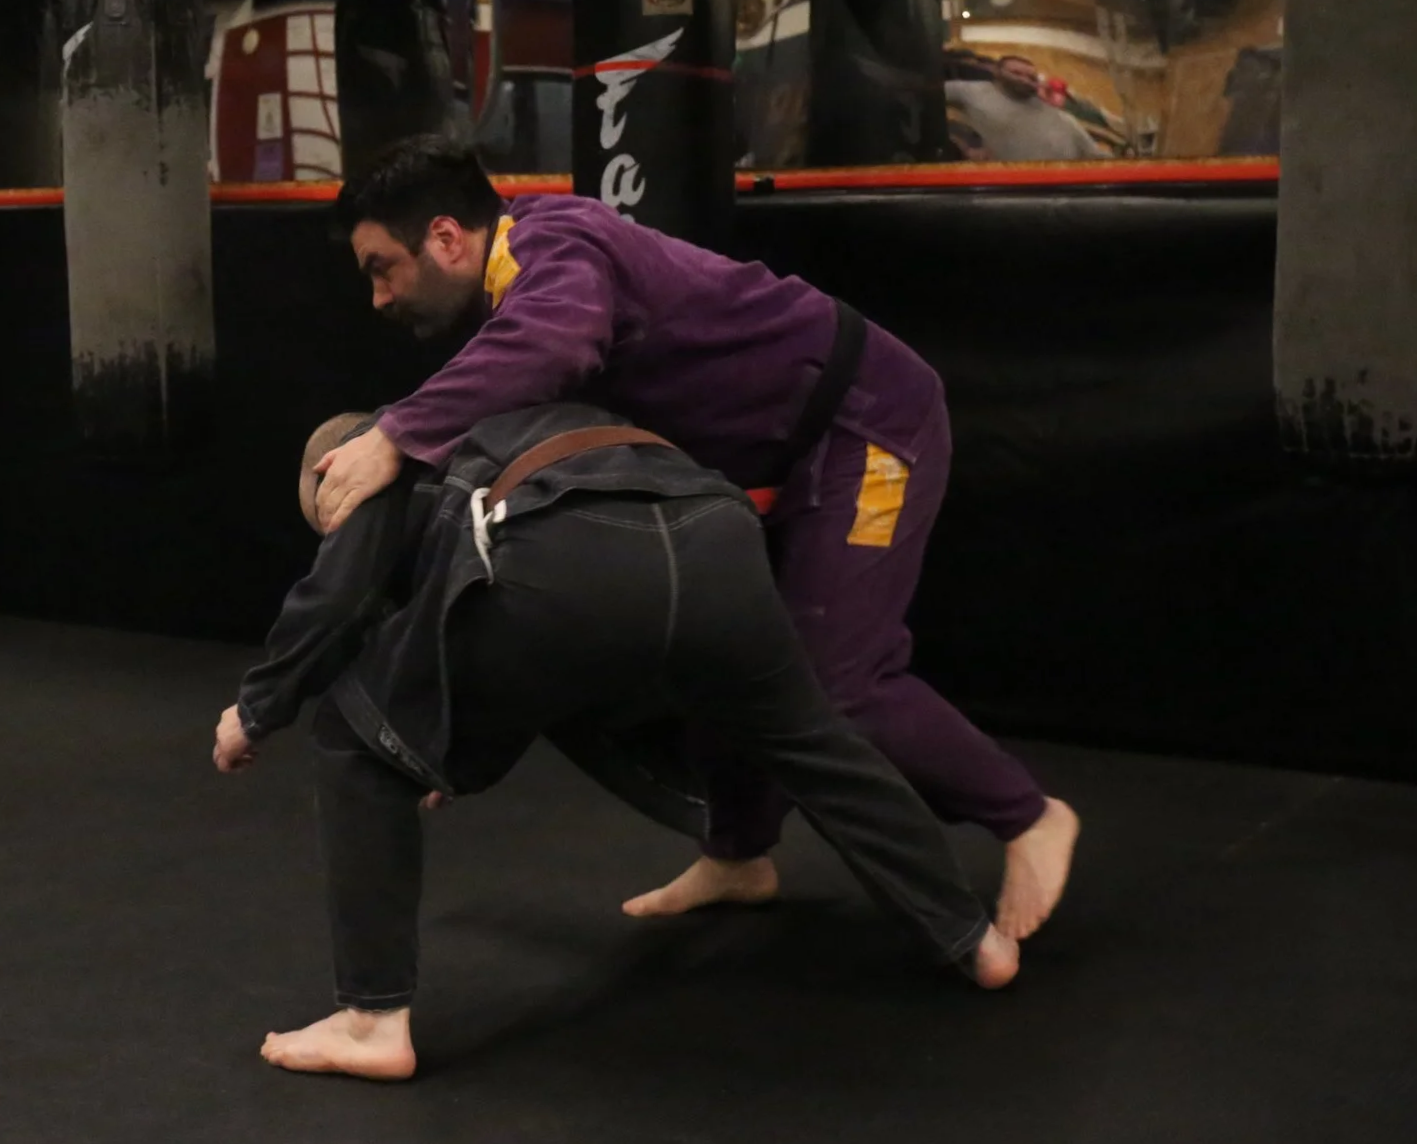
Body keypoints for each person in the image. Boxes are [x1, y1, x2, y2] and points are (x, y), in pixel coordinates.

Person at [311, 135, 1079, 940]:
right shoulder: (514, 307)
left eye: (379, 268)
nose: (379, 298)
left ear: (443, 238)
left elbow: (556, 341)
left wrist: (394, 434)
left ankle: (1027, 816)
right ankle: (739, 854)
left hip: (868, 427)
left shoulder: (554, 245)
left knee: (839, 685)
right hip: (782, 462)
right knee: (723, 650)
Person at [215, 406, 1021, 1081]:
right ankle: (968, 936)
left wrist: (256, 708)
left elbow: (339, 600)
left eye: (329, 521)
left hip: (568, 561)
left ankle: (370, 1022)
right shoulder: (498, 416)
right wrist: (436, 752)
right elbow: (486, 663)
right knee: (811, 740)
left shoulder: (379, 453)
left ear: (333, 475)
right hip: (713, 531)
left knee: (351, 741)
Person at [944, 56, 1106, 162]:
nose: (1024, 80)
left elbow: (1097, 158)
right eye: (1016, 73)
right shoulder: (971, 92)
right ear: (997, 72)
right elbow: (927, 97)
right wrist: (960, 145)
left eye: (1031, 77)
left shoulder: (1058, 115)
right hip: (1003, 189)